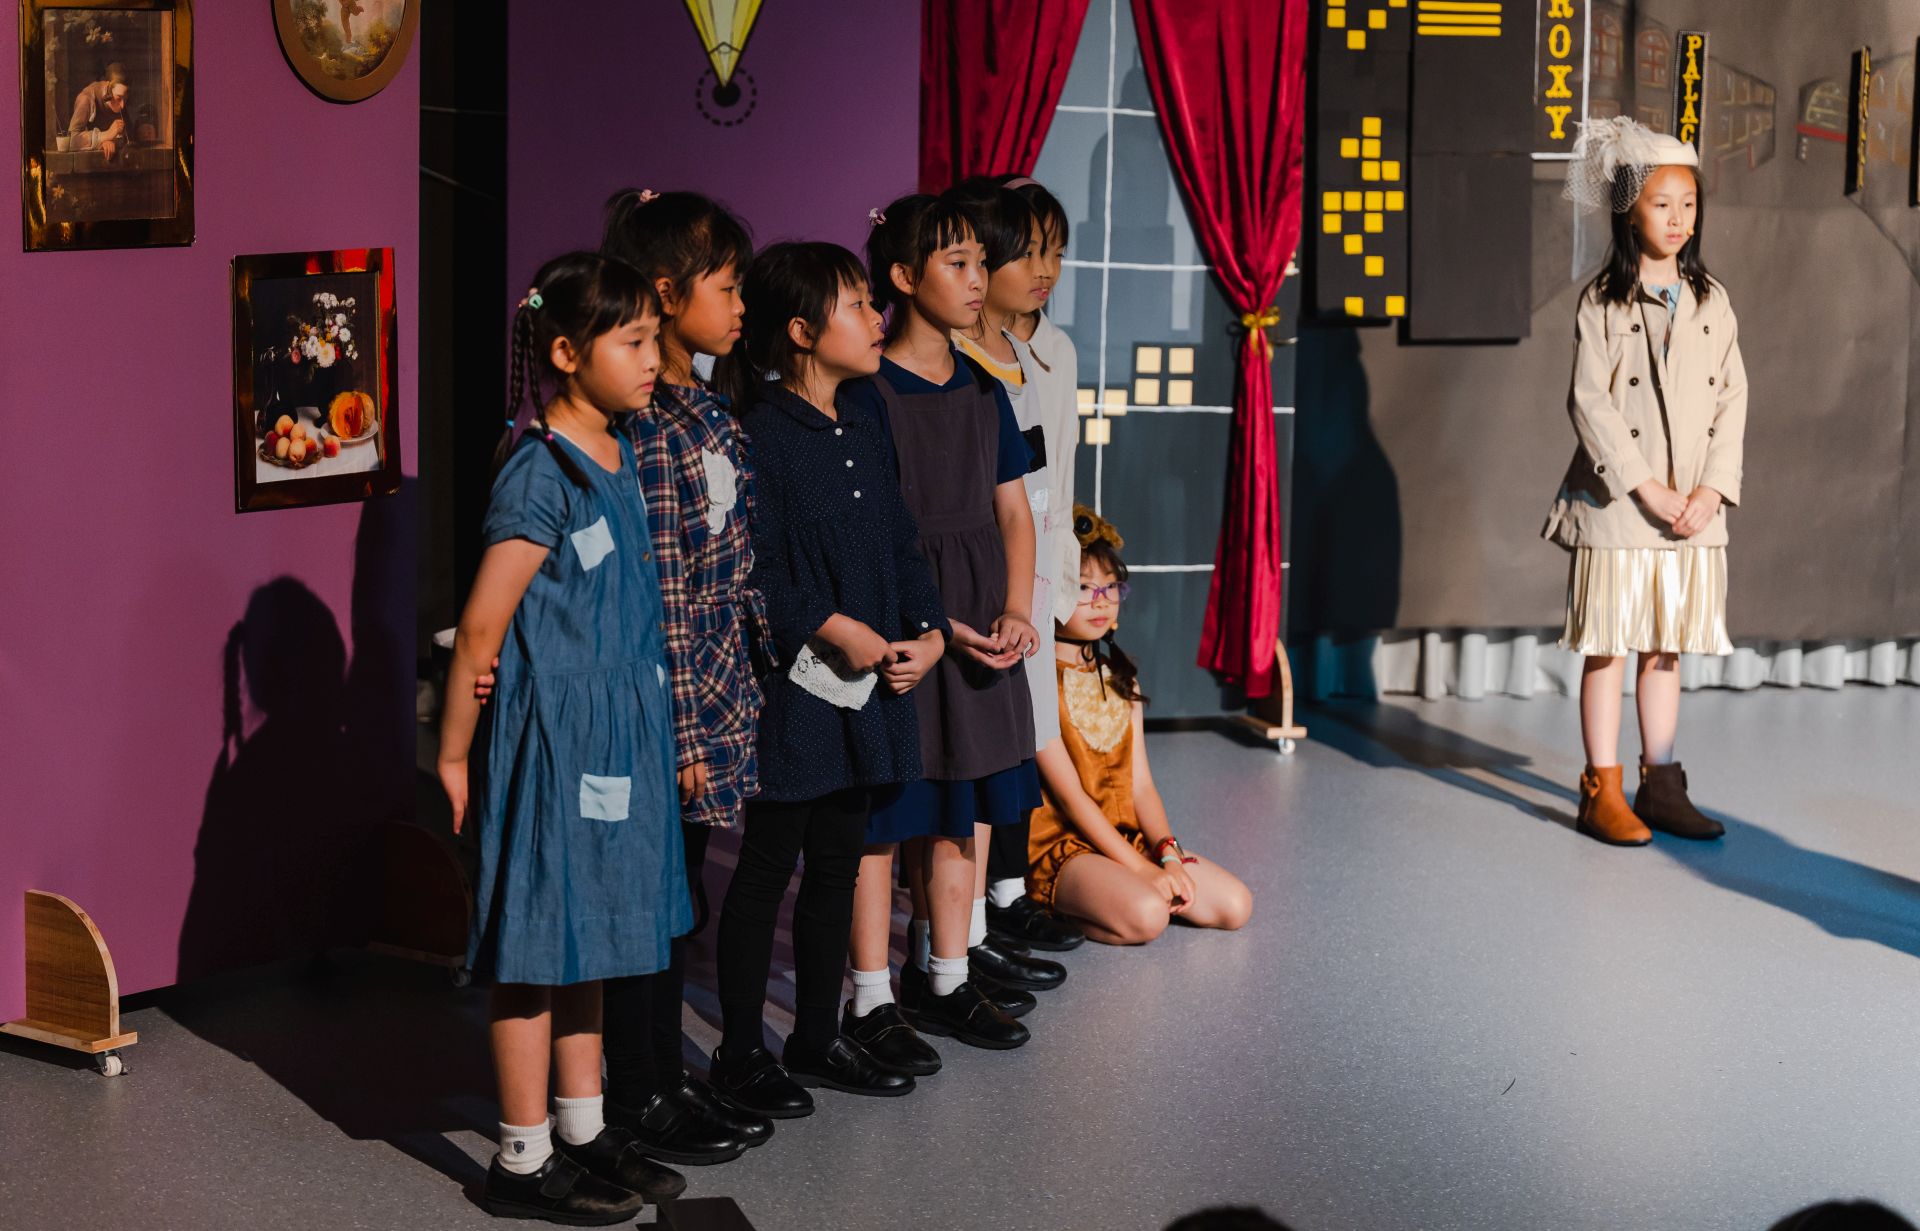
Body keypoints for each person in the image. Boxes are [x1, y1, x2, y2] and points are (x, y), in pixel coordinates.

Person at [438, 253, 689, 1223]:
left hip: (620, 733)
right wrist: (453, 754)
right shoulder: (539, 472)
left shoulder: (620, 451)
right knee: (539, 944)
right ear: (565, 353)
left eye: (655, 339)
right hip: (554, 741)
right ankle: (521, 1154)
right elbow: (482, 627)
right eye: (633, 341)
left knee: (597, 938)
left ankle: (583, 1128)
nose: (653, 358)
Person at [718, 240, 949, 1109]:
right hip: (796, 691)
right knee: (766, 869)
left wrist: (929, 633)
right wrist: (830, 625)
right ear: (802, 330)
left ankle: (816, 1037)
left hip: (870, 687)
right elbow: (756, 567)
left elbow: (901, 539)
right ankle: (740, 1053)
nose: (875, 316)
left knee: (838, 868)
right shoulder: (761, 434)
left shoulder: (865, 414)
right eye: (856, 304)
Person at [595, 188, 772, 1162]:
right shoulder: (650, 424)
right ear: (666, 294)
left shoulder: (703, 405)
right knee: (652, 912)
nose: (741, 304)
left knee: (679, 902)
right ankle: (640, 1091)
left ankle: (667, 1079)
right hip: (669, 716)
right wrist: (688, 737)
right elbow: (662, 597)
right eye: (727, 286)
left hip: (712, 697)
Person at [851, 192, 1049, 1050]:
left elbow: (1014, 513)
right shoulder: (867, 395)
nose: (978, 279)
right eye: (957, 263)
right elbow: (866, 528)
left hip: (978, 616)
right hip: (903, 619)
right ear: (903, 278)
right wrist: (928, 624)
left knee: (961, 810)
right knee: (887, 816)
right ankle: (868, 996)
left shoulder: (985, 390)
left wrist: (1015, 607)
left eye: (980, 263)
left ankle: (947, 975)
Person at [1545, 117, 1748, 847]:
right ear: (1630, 210)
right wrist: (1645, 487)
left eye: (1688, 204)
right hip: (1621, 507)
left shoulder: (1711, 298)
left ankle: (1659, 783)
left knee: (1666, 647)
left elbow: (1733, 397)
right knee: (1609, 644)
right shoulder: (1602, 300)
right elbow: (1588, 403)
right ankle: (1600, 789)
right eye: (1662, 203)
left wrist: (1711, 490)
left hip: (1691, 507)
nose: (1678, 218)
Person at [948, 175, 1087, 955]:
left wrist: (1062, 576)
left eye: (1054, 254)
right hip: (984, 569)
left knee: (1025, 731)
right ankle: (963, 927)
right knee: (987, 736)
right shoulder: (956, 359)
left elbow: (1057, 472)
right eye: (1028, 252)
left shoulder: (1050, 351)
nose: (1044, 270)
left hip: (1037, 561)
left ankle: (1007, 891)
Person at [1028, 506, 1254, 945]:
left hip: (1126, 839)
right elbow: (1071, 799)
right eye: (1083, 588)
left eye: (1111, 586)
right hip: (1064, 846)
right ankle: (1056, 907)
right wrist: (1142, 871)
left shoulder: (1122, 677)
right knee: (1150, 917)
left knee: (1235, 906)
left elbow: (1142, 786)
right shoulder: (1035, 683)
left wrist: (1167, 853)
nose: (1101, 600)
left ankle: (1124, 891)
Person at [66, 64, 129, 156]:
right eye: (118, 98)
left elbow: (126, 138)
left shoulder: (119, 100)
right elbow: (71, 139)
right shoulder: (86, 99)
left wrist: (111, 141)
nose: (122, 105)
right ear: (108, 89)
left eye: (125, 99)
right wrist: (106, 135)